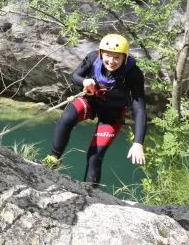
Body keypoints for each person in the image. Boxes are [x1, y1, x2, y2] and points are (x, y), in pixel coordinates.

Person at [43, 34, 147, 187]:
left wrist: (138, 143)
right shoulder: (92, 58)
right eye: (107, 55)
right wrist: (84, 81)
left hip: (112, 114)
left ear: (124, 58)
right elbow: (75, 76)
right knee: (67, 118)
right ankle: (53, 159)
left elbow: (139, 107)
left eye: (117, 57)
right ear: (100, 53)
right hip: (90, 101)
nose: (111, 61)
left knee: (95, 156)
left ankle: (89, 192)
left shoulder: (133, 73)